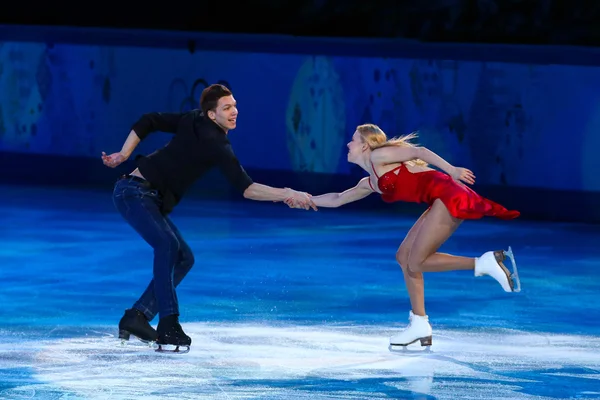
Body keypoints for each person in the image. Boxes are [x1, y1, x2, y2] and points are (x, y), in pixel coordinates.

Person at [101, 84, 316, 353]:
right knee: (167, 245)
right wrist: (287, 193)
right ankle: (169, 323)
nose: (235, 111)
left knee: (183, 257)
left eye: (235, 105)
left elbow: (150, 120)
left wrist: (124, 153)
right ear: (212, 114)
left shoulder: (195, 118)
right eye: (227, 108)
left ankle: (138, 316)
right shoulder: (214, 141)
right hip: (133, 193)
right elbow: (247, 188)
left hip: (144, 196)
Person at [285, 123, 520, 348]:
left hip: (449, 195)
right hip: (438, 200)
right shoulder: (370, 182)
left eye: (353, 140)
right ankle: (420, 325)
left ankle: (486, 263)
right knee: (404, 256)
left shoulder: (380, 157)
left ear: (365, 146)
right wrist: (307, 199)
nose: (348, 144)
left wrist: (453, 170)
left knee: (416, 260)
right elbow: (338, 198)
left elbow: (420, 151)